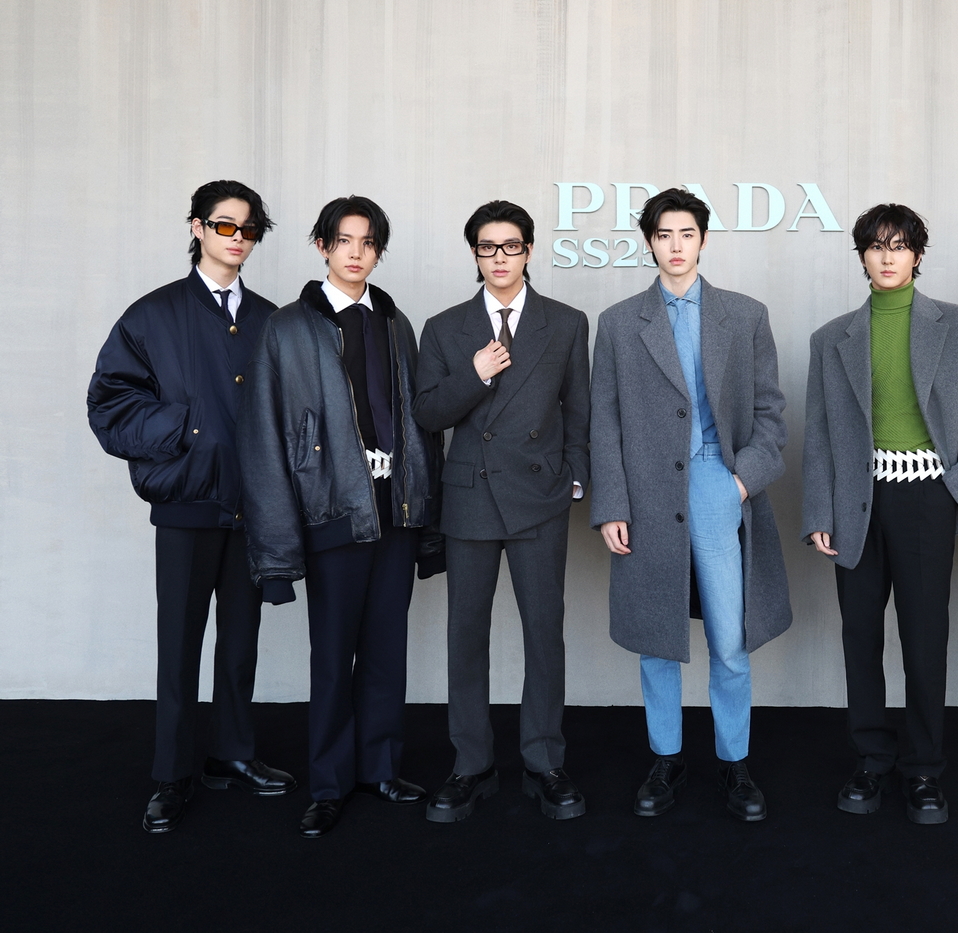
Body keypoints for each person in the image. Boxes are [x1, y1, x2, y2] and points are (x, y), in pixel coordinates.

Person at [88, 179, 295, 833]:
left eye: (249, 229)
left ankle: (232, 751)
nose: (238, 238)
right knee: (179, 644)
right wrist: (188, 430)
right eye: (224, 225)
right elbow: (110, 401)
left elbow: (293, 410)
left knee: (240, 640)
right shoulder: (152, 315)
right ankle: (172, 773)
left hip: (252, 510)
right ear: (198, 228)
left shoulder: (271, 319)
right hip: (186, 506)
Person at [238, 195, 445, 838]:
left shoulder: (395, 323)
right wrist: (276, 552)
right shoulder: (288, 328)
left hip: (396, 512)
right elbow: (264, 437)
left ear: (378, 251)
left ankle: (380, 767)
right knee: (332, 655)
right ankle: (329, 785)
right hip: (331, 511)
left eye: (368, 242)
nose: (356, 253)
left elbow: (420, 427)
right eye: (344, 241)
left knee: (386, 648)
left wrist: (427, 518)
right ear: (322, 246)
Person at [590, 187, 790, 822]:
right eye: (663, 235)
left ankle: (735, 762)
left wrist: (740, 482)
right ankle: (666, 757)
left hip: (717, 483)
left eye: (686, 234)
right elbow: (604, 422)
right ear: (649, 242)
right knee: (658, 636)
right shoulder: (618, 322)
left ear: (703, 240)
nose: (675, 246)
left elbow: (770, 414)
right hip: (645, 491)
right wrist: (611, 503)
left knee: (729, 637)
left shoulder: (745, 314)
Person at [802, 203, 958, 824]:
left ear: (917, 254)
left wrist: (957, 491)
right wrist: (819, 510)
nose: (888, 257)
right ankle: (871, 760)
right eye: (876, 246)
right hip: (856, 503)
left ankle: (924, 769)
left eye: (900, 245)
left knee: (924, 636)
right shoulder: (831, 337)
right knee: (860, 636)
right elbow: (819, 433)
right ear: (862, 255)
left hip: (927, 501)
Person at [413, 201, 590, 823]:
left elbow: (579, 409)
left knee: (544, 633)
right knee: (466, 636)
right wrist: (475, 374)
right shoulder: (444, 327)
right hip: (469, 498)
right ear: (475, 254)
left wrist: (574, 480)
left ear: (529, 251)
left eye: (510, 246)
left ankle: (544, 762)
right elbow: (428, 414)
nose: (499, 258)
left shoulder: (565, 322)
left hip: (540, 496)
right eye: (487, 247)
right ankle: (471, 765)